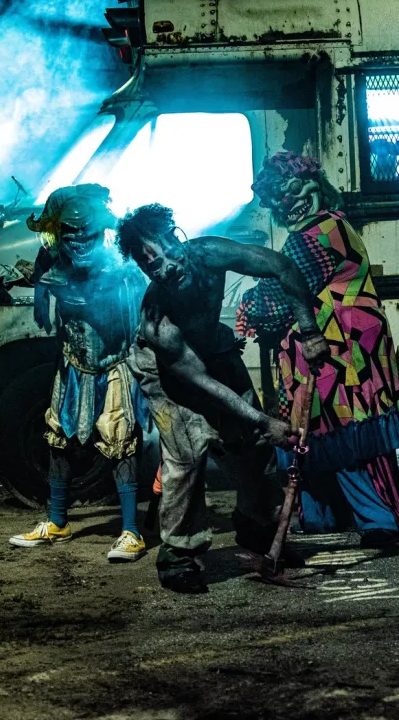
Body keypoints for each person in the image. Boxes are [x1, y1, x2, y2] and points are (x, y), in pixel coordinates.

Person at [116, 204, 329, 594]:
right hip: (169, 369)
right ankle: (179, 553)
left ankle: (258, 528)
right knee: (188, 452)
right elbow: (198, 382)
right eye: (151, 267)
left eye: (165, 256)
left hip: (213, 346)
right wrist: (263, 420)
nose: (165, 270)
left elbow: (281, 266)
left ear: (176, 236)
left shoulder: (209, 252)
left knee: (254, 448)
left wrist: (310, 330)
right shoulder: (156, 319)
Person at [237, 152, 399, 547]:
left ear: (315, 181)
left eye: (296, 190)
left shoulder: (310, 237)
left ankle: (374, 520)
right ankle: (321, 516)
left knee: (330, 437)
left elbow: (276, 300)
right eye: (280, 200)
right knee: (318, 440)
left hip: (330, 358)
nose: (292, 202)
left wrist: (250, 303)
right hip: (350, 355)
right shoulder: (337, 224)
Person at [9, 185, 149, 563]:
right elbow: (43, 272)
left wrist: (76, 295)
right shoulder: (54, 257)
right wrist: (39, 290)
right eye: (69, 235)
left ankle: (131, 531)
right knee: (57, 438)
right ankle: (57, 523)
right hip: (73, 363)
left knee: (120, 441)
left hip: (115, 364)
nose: (78, 243)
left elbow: (130, 314)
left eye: (85, 234)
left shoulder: (122, 266)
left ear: (98, 232)